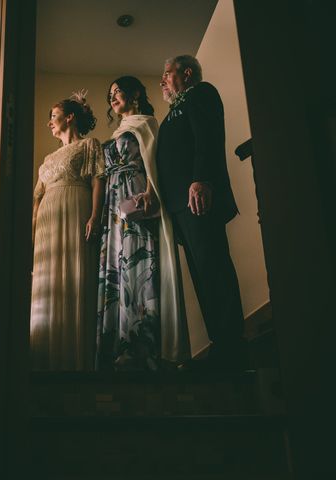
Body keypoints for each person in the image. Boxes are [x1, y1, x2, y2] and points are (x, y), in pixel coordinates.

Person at [156, 55, 245, 369]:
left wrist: (201, 179)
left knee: (214, 270)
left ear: (187, 72)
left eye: (167, 73)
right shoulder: (171, 114)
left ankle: (233, 348)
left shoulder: (200, 94)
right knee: (202, 276)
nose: (162, 80)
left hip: (198, 197)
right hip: (180, 209)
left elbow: (207, 137)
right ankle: (221, 345)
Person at [97, 76, 190, 371]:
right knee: (118, 264)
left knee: (137, 263)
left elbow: (154, 161)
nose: (113, 97)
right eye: (109, 94)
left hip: (135, 193)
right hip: (113, 203)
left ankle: (142, 344)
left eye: (118, 91)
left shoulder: (146, 122)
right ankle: (118, 345)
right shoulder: (117, 131)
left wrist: (150, 191)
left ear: (135, 93)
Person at [30, 91, 105, 370]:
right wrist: (34, 232)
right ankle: (45, 358)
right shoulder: (48, 159)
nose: (49, 122)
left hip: (77, 209)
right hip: (48, 219)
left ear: (69, 117)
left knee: (77, 275)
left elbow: (98, 179)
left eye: (53, 115)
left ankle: (78, 357)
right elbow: (36, 198)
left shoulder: (89, 145)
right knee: (48, 283)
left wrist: (95, 216)